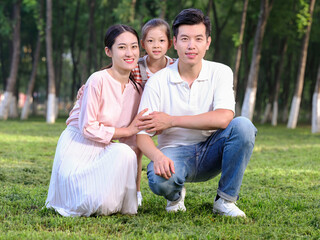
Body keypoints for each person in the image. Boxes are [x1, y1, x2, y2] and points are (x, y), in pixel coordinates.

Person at [136, 8, 257, 218]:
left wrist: (171, 121)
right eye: (185, 39)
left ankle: (225, 201)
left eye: (198, 39)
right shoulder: (157, 81)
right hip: (174, 154)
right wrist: (157, 156)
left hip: (212, 149)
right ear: (175, 42)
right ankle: (174, 196)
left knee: (243, 126)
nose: (191, 45)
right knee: (159, 182)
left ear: (207, 43)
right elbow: (142, 135)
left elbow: (224, 117)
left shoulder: (220, 72)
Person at [45, 24, 148, 217]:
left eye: (134, 47)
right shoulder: (97, 80)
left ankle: (123, 199)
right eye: (122, 47)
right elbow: (87, 128)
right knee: (87, 204)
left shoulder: (136, 91)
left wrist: (136, 191)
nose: (129, 53)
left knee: (125, 154)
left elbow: (132, 148)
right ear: (109, 51)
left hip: (104, 150)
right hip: (77, 147)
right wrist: (127, 130)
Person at [131, 18, 174, 206]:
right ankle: (135, 192)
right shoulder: (136, 67)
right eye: (150, 41)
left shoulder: (175, 66)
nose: (156, 46)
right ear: (143, 44)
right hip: (143, 117)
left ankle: (175, 189)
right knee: (135, 150)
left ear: (170, 43)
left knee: (173, 147)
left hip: (168, 116)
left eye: (161, 41)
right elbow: (111, 73)